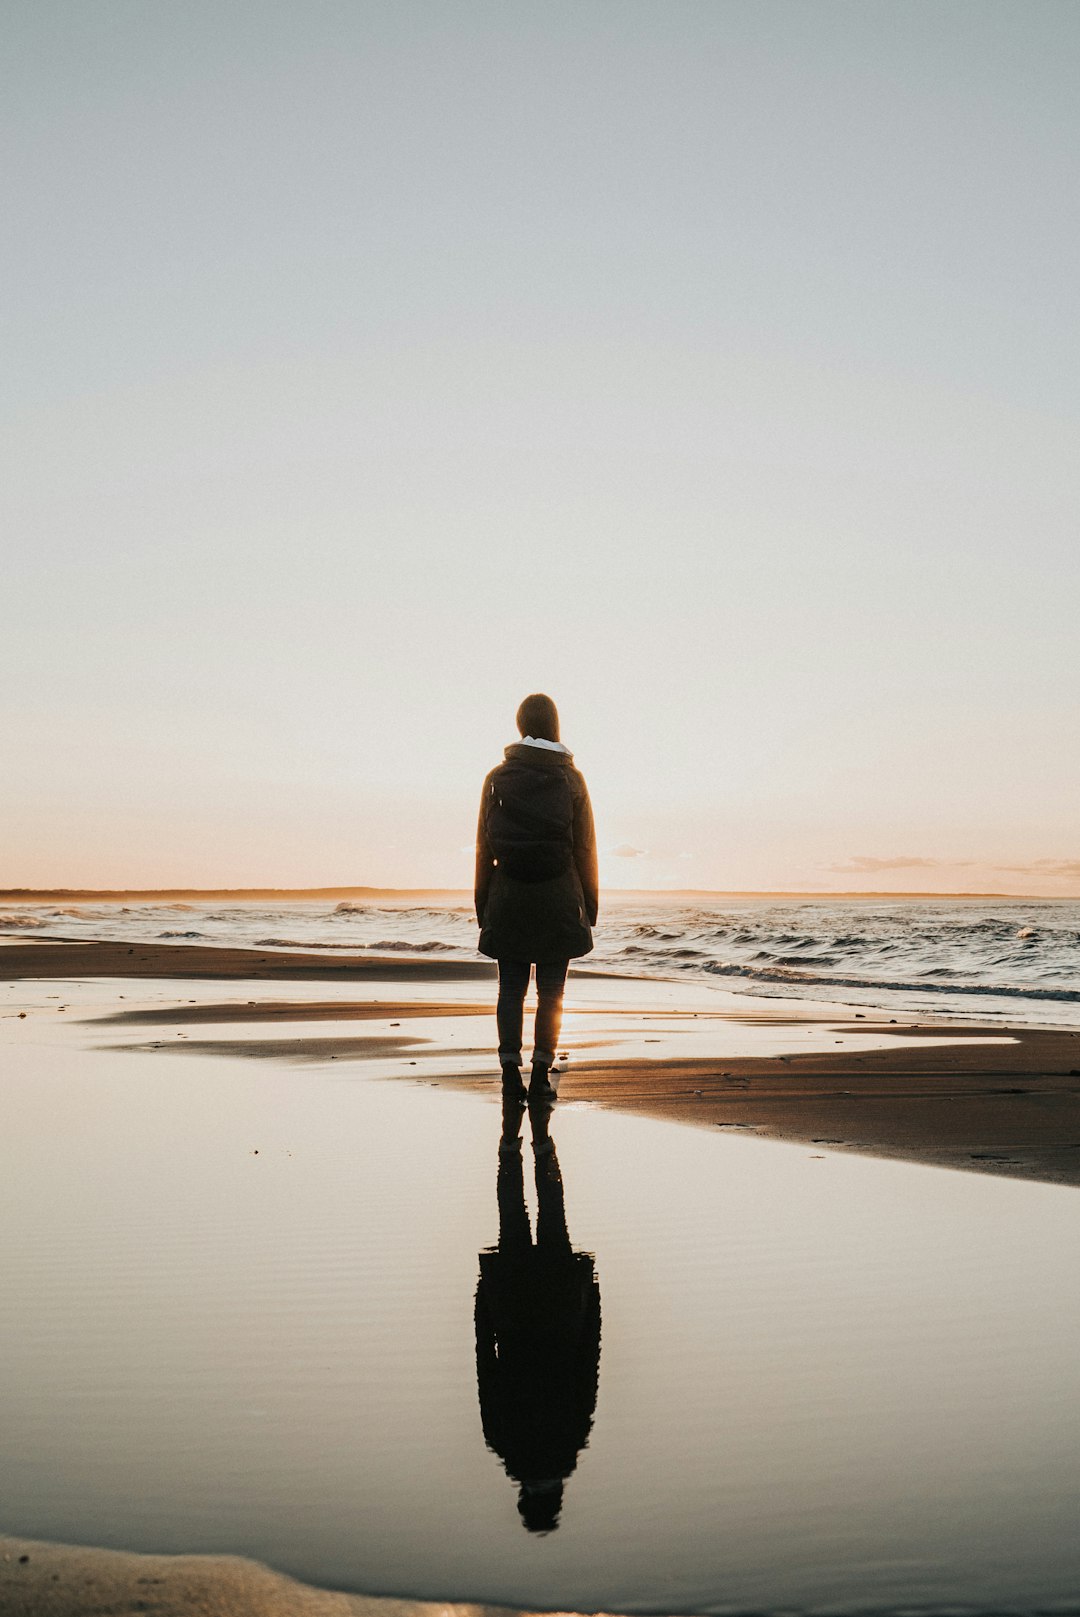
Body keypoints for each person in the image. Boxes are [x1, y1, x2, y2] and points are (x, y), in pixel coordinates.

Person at [474, 1096, 602, 1534]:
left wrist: (593, 1297)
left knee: (552, 1214)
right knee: (512, 1215)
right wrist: (484, 1301)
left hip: (561, 1302)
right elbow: (485, 1364)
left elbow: (588, 1362)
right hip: (510, 1303)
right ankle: (512, 1148)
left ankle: (543, 1145)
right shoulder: (503, 1442)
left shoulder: (571, 1440)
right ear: (525, 1497)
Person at [475, 694, 598, 1101]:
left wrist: (483, 904)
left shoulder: (496, 777)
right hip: (559, 897)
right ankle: (541, 1074)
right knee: (552, 991)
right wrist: (589, 906)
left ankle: (510, 1074)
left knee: (511, 989)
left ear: (520, 726)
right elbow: (585, 849)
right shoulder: (572, 778)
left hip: (507, 896)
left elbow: (482, 847)